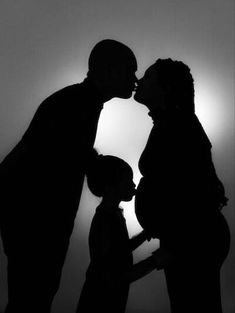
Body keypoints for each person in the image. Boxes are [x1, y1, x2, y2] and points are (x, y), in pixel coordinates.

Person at [0, 39, 138, 313]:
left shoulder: (79, 101)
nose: (134, 79)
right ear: (109, 71)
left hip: (36, 217)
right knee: (32, 296)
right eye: (128, 71)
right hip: (34, 218)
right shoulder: (76, 103)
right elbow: (66, 154)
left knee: (33, 295)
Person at [134, 58, 230, 313]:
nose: (138, 81)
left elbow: (197, 195)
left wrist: (176, 247)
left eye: (147, 77)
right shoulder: (170, 124)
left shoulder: (180, 127)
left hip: (193, 243)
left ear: (164, 88)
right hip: (186, 241)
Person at [76, 153, 169, 313]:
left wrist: (145, 234)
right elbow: (113, 277)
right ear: (109, 187)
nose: (133, 185)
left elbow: (119, 251)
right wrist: (156, 260)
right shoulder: (106, 221)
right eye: (127, 180)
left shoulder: (112, 214)